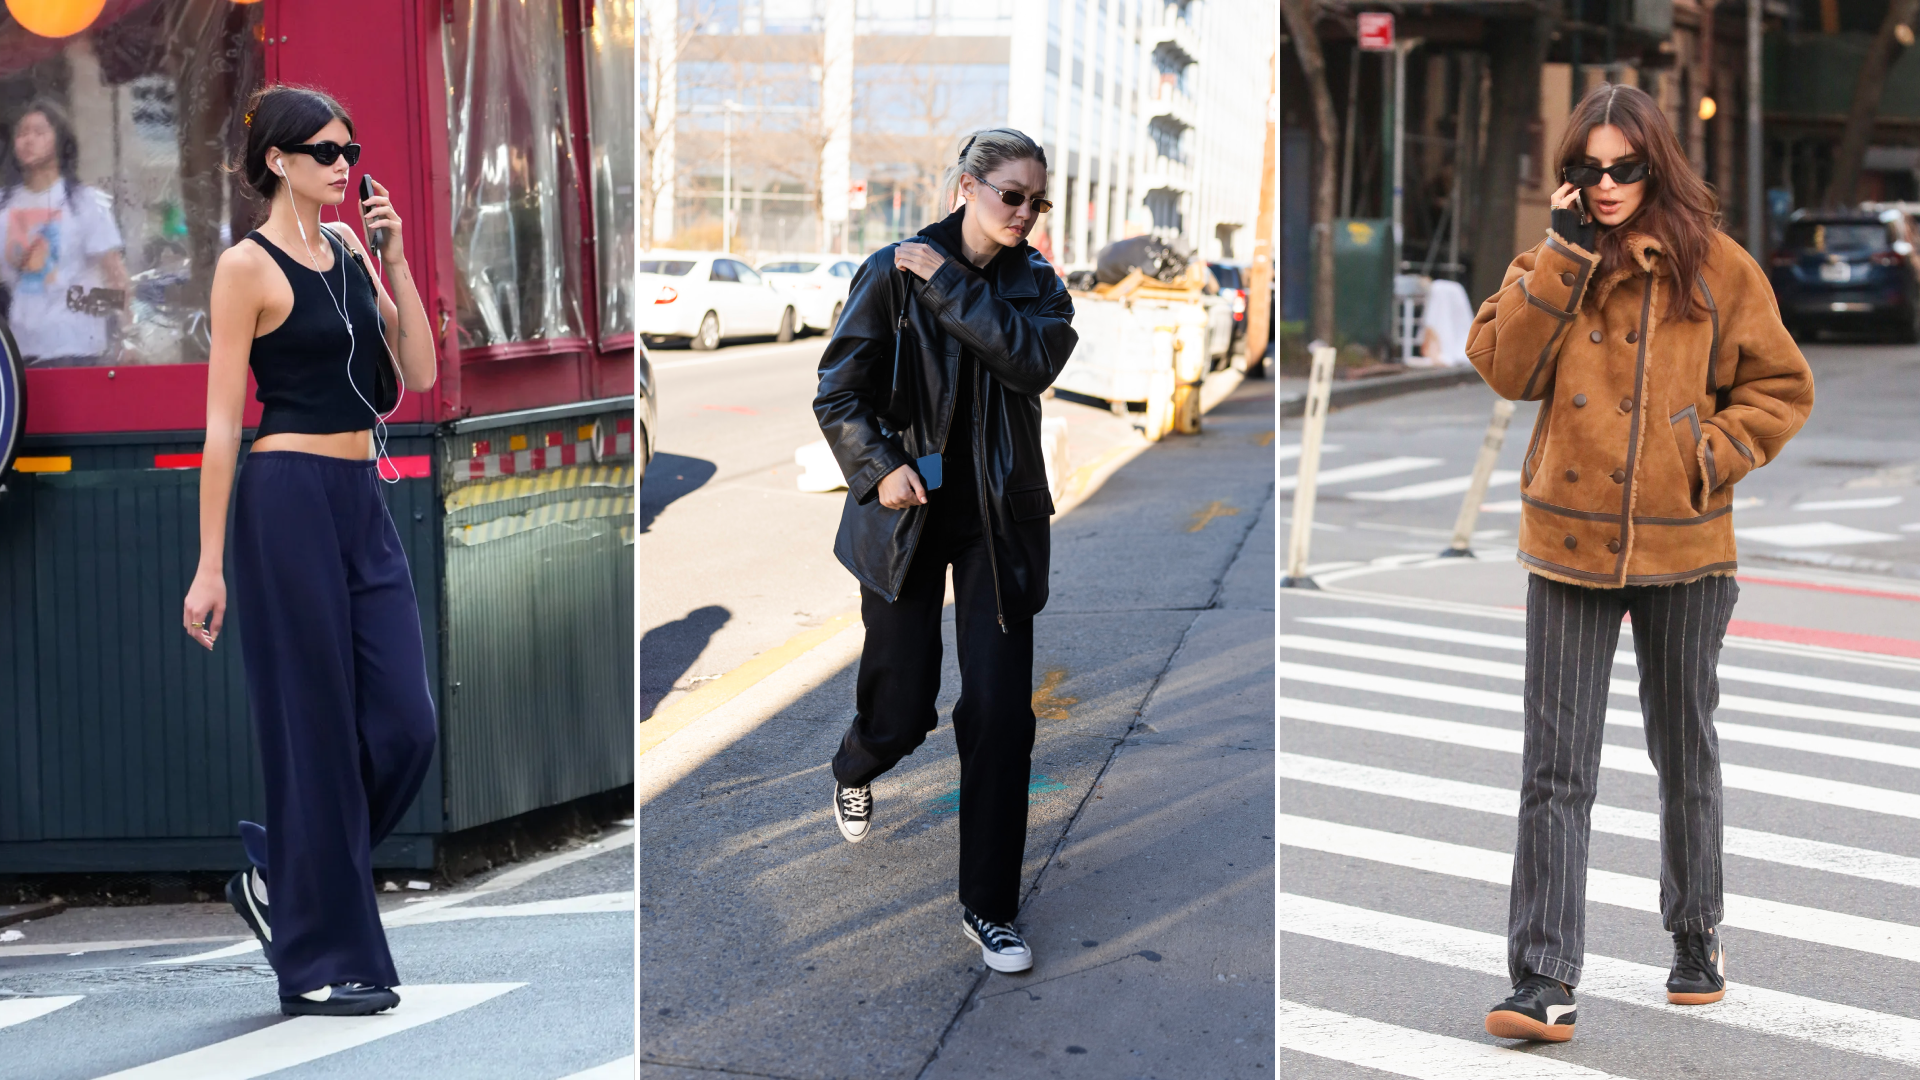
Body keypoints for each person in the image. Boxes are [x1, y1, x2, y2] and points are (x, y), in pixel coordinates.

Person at [1466, 82, 1813, 1044]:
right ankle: (1542, 978)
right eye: (1589, 169)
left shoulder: (1718, 268)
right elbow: (1505, 369)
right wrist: (1563, 260)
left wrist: (1705, 456)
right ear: (1568, 177)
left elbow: (1781, 387)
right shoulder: (1550, 262)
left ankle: (1697, 935)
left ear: (1657, 166)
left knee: (1683, 750)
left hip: (1685, 546)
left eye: (1626, 167)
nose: (1608, 184)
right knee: (1555, 769)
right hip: (1567, 546)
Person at [180, 85, 439, 1018]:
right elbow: (221, 427)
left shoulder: (353, 252)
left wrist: (396, 260)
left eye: (349, 150)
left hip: (360, 501)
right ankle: (318, 959)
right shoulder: (244, 267)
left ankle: (284, 880)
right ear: (278, 161)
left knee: (407, 725)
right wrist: (209, 566)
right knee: (314, 732)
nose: (343, 165)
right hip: (286, 501)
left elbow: (419, 374)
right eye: (326, 151)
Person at [813, 128, 1077, 975]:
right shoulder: (892, 271)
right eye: (1012, 195)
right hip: (907, 514)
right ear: (968, 186)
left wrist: (953, 283)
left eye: (1037, 200)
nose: (1025, 213)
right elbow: (838, 390)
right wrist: (878, 466)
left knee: (1001, 715)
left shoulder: (1039, 286)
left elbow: (1029, 363)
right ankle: (857, 763)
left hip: (998, 520)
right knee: (903, 706)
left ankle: (990, 909)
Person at [0, 99, 131, 366]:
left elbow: (115, 275)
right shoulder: (4, 204)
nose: (29, 140)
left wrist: (126, 336)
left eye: (39, 132)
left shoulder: (84, 201)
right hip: (19, 347)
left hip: (76, 345)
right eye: (22, 133)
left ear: (60, 140)